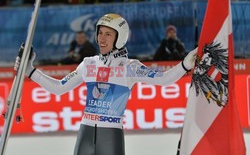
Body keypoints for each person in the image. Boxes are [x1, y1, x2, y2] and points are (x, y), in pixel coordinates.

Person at [14, 13, 197, 155]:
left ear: (120, 38)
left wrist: (184, 65)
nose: (101, 38)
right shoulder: (89, 63)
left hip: (111, 136)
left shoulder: (129, 67)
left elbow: (163, 79)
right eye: (100, 33)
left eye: (108, 34)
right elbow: (59, 88)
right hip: (85, 133)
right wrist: (29, 70)